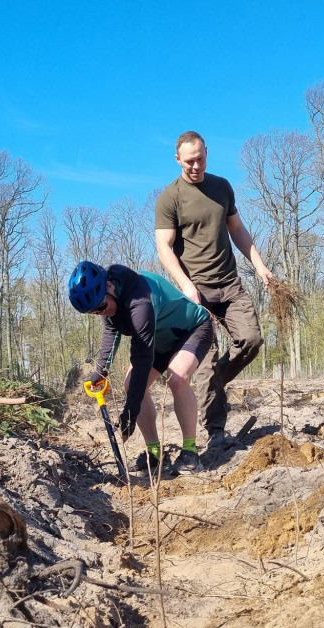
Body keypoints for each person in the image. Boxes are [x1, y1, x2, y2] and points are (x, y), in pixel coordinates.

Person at [155, 130, 274, 455]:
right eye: (189, 161)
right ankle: (215, 433)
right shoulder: (170, 198)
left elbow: (237, 230)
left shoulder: (222, 187)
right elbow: (164, 247)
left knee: (251, 340)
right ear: (178, 160)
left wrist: (260, 266)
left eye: (200, 159)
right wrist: (185, 284)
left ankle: (218, 382)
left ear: (207, 152)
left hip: (230, 284)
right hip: (196, 294)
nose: (196, 166)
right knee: (204, 365)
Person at [68, 261, 212, 475]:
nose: (101, 313)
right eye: (94, 312)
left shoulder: (140, 302)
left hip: (191, 329)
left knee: (178, 378)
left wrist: (130, 413)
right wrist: (101, 370)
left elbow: (142, 356)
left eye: (101, 307)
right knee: (130, 385)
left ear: (109, 286)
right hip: (159, 340)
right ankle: (154, 453)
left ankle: (190, 451)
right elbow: (111, 332)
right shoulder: (109, 299)